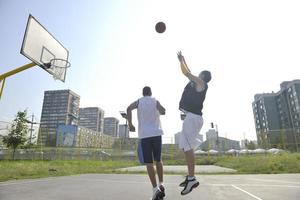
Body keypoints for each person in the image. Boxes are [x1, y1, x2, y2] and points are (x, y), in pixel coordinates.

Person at [177, 51, 211, 195]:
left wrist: (180, 61)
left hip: (193, 118)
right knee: (185, 147)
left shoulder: (201, 83)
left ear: (202, 76)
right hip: (191, 117)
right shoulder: (196, 82)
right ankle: (190, 177)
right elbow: (189, 71)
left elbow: (187, 73)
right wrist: (184, 60)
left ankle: (192, 179)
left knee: (188, 147)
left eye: (199, 74)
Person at [127, 86, 166, 200]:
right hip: (157, 133)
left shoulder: (139, 102)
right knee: (158, 159)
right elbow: (163, 111)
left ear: (143, 93)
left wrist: (130, 124)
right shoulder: (155, 100)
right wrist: (159, 108)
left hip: (145, 135)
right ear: (151, 93)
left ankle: (155, 190)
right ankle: (161, 183)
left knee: (149, 163)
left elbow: (128, 108)